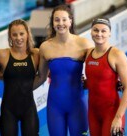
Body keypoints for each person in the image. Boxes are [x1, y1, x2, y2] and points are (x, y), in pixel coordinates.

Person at [33, 4, 93, 136]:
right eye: (57, 20)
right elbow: (41, 77)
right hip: (55, 106)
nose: (61, 23)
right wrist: (22, 89)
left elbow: (96, 70)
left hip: (77, 104)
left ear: (70, 21)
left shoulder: (84, 44)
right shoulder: (45, 47)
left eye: (64, 19)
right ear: (52, 23)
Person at [85, 18, 127, 136]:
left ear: (110, 33)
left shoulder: (117, 55)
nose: (99, 34)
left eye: (103, 31)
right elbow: (95, 80)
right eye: (96, 30)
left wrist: (118, 117)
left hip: (111, 112)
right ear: (91, 32)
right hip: (93, 112)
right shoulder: (88, 53)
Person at [0, 19, 39, 136]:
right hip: (8, 110)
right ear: (10, 36)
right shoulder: (2, 55)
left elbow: (47, 73)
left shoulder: (36, 54)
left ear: (27, 34)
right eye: (14, 34)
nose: (18, 38)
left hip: (29, 108)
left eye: (21, 34)